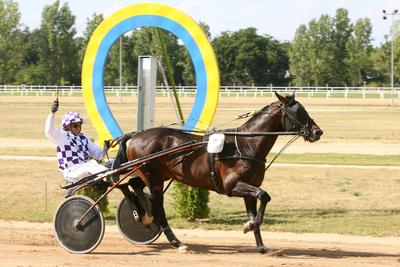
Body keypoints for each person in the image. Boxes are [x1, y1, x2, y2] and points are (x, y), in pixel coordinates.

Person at [44, 99, 109, 183]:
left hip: (83, 168)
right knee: (91, 164)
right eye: (75, 125)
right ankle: (109, 176)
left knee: (109, 163)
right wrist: (52, 113)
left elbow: (97, 154)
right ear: (67, 126)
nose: (78, 127)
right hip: (71, 172)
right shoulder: (63, 136)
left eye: (80, 124)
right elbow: (49, 131)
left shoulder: (83, 137)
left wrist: (106, 148)